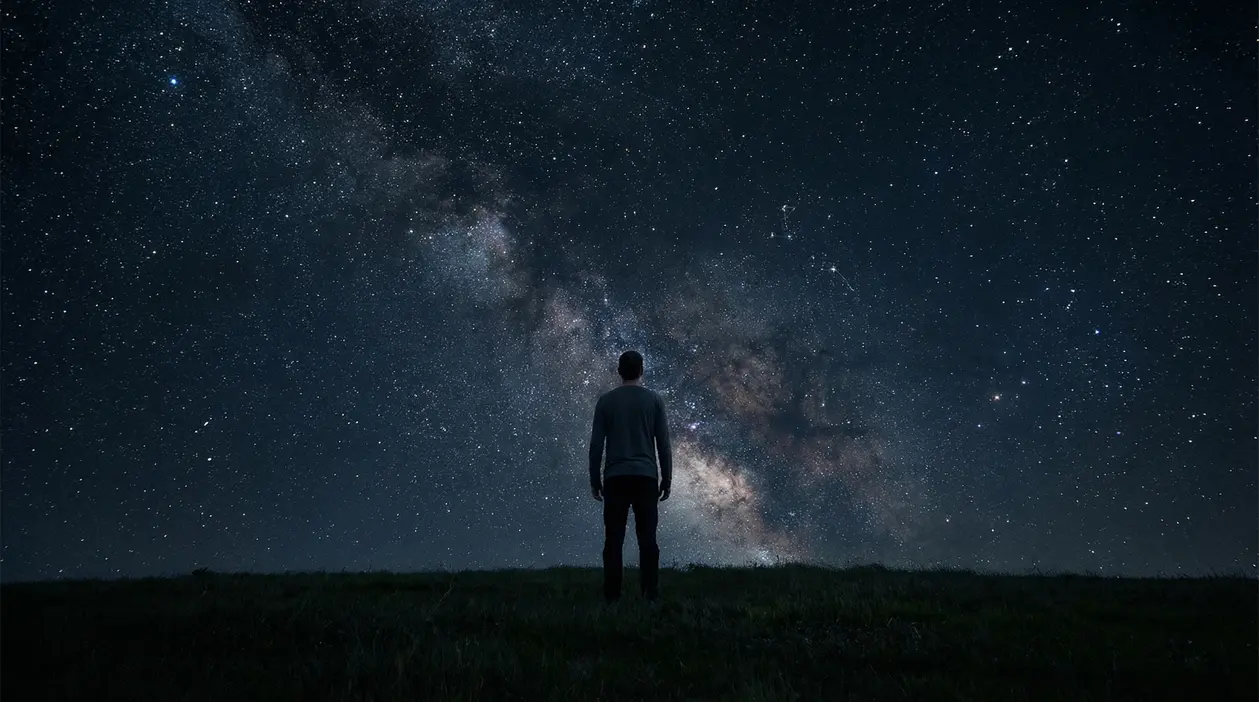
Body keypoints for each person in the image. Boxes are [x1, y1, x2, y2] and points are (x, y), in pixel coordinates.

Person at [588, 350, 672, 603]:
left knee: (613, 540)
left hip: (615, 478)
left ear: (619, 371)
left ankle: (612, 596)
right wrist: (666, 479)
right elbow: (663, 445)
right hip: (646, 478)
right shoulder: (654, 401)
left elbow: (596, 445)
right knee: (648, 540)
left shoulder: (606, 401)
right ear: (641, 370)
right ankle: (650, 594)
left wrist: (595, 479)